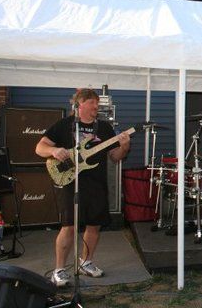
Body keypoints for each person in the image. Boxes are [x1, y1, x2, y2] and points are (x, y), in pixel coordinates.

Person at [35, 88, 131, 286]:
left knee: (94, 224)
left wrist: (124, 146)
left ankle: (86, 262)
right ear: (79, 104)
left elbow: (115, 157)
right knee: (69, 226)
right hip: (70, 182)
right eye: (92, 102)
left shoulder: (104, 128)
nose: (96, 106)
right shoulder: (65, 125)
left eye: (97, 103)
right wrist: (54, 150)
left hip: (96, 183)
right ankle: (59, 270)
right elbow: (39, 147)